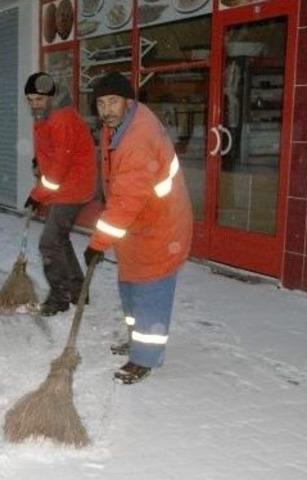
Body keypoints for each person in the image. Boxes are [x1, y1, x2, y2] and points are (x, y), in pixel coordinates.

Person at [85, 72, 193, 384]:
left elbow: (126, 201)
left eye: (113, 101)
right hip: (138, 227)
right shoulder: (118, 126)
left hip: (160, 229)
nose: (106, 109)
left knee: (150, 291)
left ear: (128, 101)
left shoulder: (136, 139)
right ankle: (137, 340)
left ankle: (145, 357)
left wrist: (98, 243)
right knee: (130, 286)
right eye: (101, 103)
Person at [22, 72, 96, 316]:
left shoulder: (61, 118)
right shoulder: (48, 114)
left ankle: (60, 295)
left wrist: (37, 194)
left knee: (49, 243)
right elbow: (51, 149)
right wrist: (38, 160)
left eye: (39, 99)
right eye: (30, 99)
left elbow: (59, 168)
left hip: (72, 187)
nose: (35, 104)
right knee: (60, 238)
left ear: (51, 96)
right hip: (66, 185)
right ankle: (77, 290)